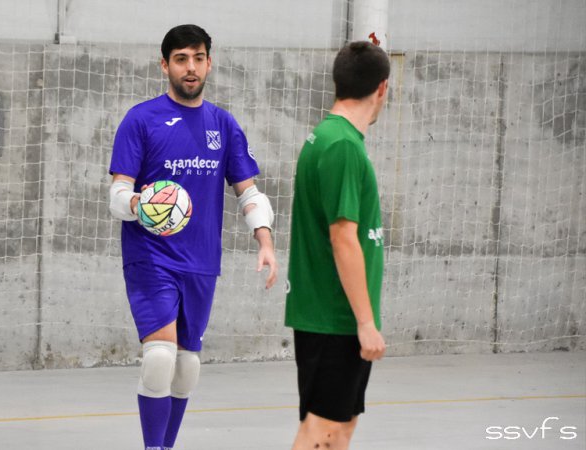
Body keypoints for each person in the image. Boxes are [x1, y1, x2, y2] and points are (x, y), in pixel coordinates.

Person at [107, 24, 278, 450]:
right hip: (151, 256)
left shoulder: (223, 124)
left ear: (209, 63)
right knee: (159, 357)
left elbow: (249, 193)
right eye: (181, 59)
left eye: (198, 58)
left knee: (186, 367)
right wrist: (140, 204)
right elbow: (117, 194)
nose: (191, 67)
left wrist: (265, 240)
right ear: (164, 65)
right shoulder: (141, 119)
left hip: (201, 261)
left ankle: (165, 446)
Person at [285, 40, 390, 450]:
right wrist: (365, 322)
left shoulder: (331, 137)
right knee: (323, 432)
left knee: (338, 430)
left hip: (335, 317)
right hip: (334, 317)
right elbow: (343, 237)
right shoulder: (342, 145)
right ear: (382, 88)